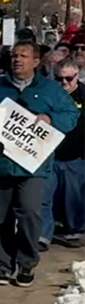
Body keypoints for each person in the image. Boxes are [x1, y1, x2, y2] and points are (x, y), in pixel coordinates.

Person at [0, 40, 80, 284]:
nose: (17, 60)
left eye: (23, 55)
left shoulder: (50, 89)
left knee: (30, 212)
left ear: (36, 61)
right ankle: (2, 264)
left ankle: (26, 263)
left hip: (33, 164)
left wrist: (50, 118)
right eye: (14, 55)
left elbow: (72, 114)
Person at [50, 58, 85, 248]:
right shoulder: (49, 95)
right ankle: (47, 231)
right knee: (50, 195)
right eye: (59, 79)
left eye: (68, 79)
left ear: (77, 77)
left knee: (75, 196)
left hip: (77, 155)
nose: (64, 83)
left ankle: (76, 230)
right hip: (52, 153)